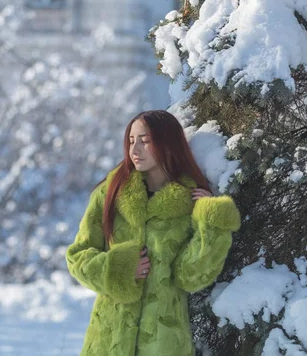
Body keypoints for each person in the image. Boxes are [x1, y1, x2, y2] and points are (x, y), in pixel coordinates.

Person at [65, 110, 241, 356]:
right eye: (131, 141)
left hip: (165, 341)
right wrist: (118, 270)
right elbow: (77, 256)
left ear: (168, 144)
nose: (134, 150)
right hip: (108, 340)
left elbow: (191, 277)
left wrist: (211, 223)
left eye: (144, 141)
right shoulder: (110, 193)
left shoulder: (190, 201)